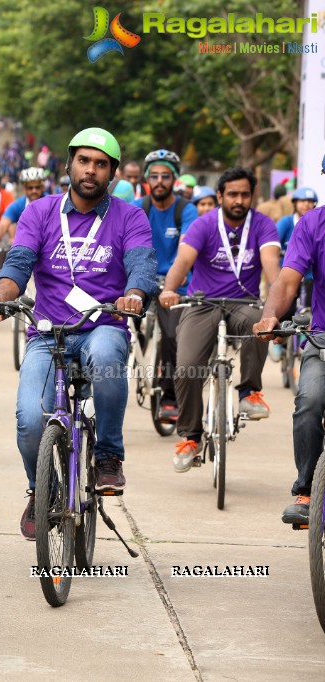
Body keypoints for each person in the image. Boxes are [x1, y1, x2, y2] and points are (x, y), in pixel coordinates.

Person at [0, 127, 156, 540]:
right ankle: (45, 489)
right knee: (29, 421)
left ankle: (108, 456)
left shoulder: (130, 217)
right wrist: (2, 296)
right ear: (68, 164)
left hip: (103, 325)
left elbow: (141, 264)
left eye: (101, 164)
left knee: (110, 358)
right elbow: (18, 263)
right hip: (48, 334)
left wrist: (134, 293)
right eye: (84, 160)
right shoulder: (40, 212)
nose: (91, 170)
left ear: (112, 173)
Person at [159, 167, 280, 473]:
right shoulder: (204, 224)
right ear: (220, 196)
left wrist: (276, 309)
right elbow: (183, 260)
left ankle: (248, 393)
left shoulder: (264, 225)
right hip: (203, 303)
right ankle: (191, 437)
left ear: (252, 196)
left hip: (244, 304)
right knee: (186, 367)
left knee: (261, 323)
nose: (239, 200)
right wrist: (171, 289)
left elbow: (272, 268)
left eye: (245, 194)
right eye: (233, 194)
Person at [252, 159, 325, 525]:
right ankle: (306, 488)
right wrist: (272, 316)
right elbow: (288, 279)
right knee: (309, 401)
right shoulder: (312, 224)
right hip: (323, 339)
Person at [133, 149, 198, 422]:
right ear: (147, 178)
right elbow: (129, 245)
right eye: (155, 176)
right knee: (115, 327)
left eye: (166, 176)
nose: (160, 181)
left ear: (174, 179)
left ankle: (170, 396)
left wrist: (177, 275)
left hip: (176, 285)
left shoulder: (186, 209)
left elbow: (186, 248)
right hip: (142, 281)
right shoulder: (138, 207)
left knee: (172, 335)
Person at [0, 167, 46, 250]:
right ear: (24, 188)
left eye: (37, 187)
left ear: (42, 187)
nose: (34, 190)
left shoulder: (51, 202)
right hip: (27, 250)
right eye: (30, 188)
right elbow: (3, 224)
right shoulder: (18, 205)